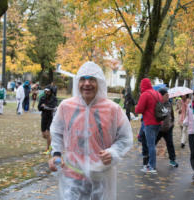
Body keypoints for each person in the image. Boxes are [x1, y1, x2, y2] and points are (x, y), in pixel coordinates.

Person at [48, 61, 133, 200]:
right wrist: (56, 154)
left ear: (99, 82)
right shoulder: (66, 106)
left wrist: (113, 152)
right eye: (83, 79)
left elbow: (125, 137)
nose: (87, 83)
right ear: (77, 83)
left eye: (92, 79)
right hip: (73, 177)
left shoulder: (112, 109)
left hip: (101, 176)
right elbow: (57, 131)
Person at [135, 78, 162, 174]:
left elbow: (139, 109)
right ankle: (147, 161)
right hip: (158, 122)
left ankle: (151, 166)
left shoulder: (145, 94)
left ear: (142, 85)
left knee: (151, 145)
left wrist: (136, 107)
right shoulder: (157, 93)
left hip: (149, 122)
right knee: (146, 140)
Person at [155, 88, 178, 167]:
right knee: (153, 143)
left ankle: (172, 160)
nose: (168, 96)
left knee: (170, 144)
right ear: (161, 96)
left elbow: (172, 115)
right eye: (166, 95)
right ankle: (148, 159)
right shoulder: (157, 104)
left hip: (168, 128)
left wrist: (172, 124)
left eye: (168, 95)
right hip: (159, 128)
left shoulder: (169, 104)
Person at [38, 87, 57, 154]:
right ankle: (52, 143)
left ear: (51, 91)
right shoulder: (42, 98)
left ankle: (48, 149)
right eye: (45, 91)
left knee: (47, 133)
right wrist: (43, 107)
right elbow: (39, 108)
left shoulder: (54, 98)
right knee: (44, 135)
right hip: (44, 116)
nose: (47, 92)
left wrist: (45, 106)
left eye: (48, 91)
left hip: (51, 117)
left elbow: (53, 107)